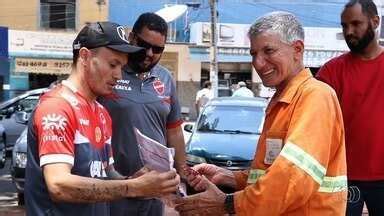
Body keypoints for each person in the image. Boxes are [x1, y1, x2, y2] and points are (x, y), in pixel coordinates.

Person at [175, 11, 347, 215]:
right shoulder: (281, 101)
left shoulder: (316, 96)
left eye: (269, 51)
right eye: (254, 54)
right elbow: (270, 171)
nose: (258, 63)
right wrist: (229, 177)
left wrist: (227, 203)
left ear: (297, 49)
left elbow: (291, 177)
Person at [24, 21, 180, 216]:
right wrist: (132, 187)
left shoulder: (101, 112)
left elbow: (105, 173)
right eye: (113, 64)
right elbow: (59, 184)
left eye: (122, 67)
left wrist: (131, 180)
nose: (118, 75)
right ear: (85, 57)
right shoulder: (56, 108)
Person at [99, 13, 186, 215]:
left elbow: (174, 131)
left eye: (157, 49)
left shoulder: (165, 78)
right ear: (132, 37)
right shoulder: (112, 72)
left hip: (154, 190)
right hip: (114, 187)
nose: (149, 53)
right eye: (144, 44)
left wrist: (182, 175)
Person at [316, 0, 384, 215]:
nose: (349, 32)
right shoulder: (331, 71)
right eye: (344, 26)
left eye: (356, 24)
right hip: (342, 177)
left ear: (375, 22)